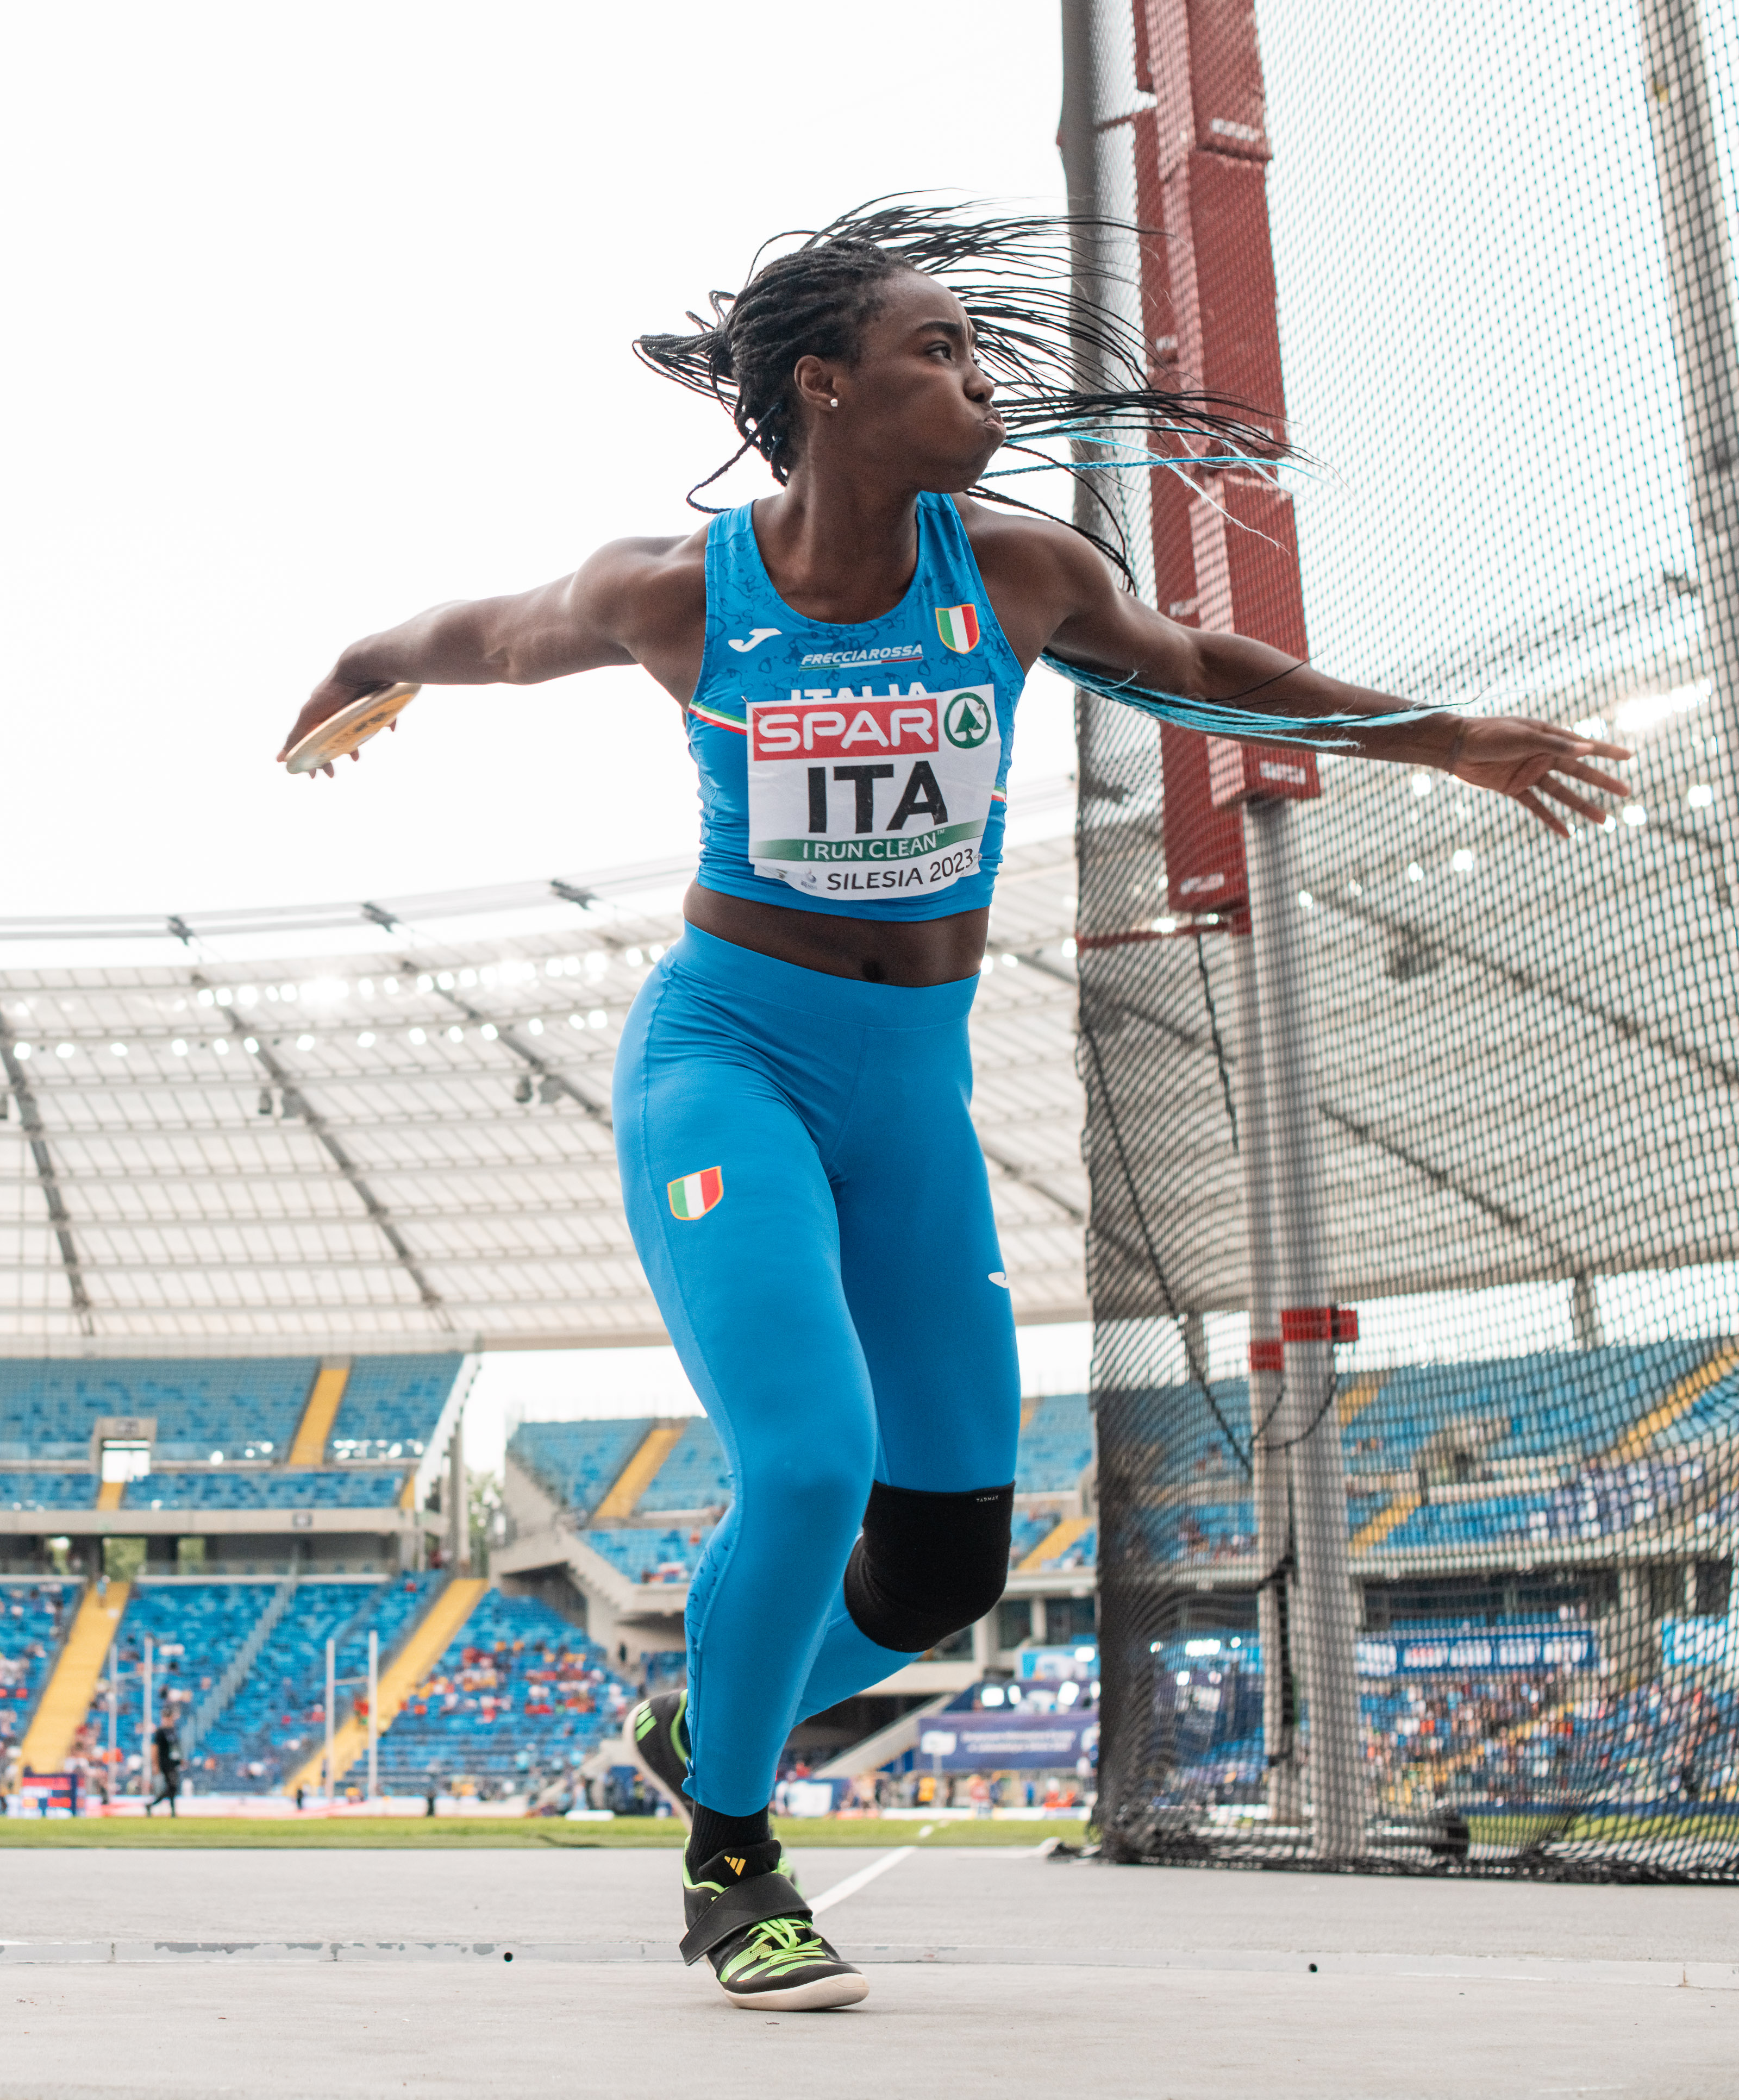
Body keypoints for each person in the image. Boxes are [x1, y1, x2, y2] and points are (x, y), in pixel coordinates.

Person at [279, 202, 1629, 2011]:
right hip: (729, 1064)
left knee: (942, 1566)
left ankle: (711, 1723)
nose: (982, 385)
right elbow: (496, 633)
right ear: (824, 386)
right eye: (940, 354)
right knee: (809, 1463)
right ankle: (734, 1864)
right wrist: (365, 662)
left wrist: (1434, 734)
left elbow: (1200, 670)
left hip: (909, 1093)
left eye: (976, 354)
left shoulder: (1016, 570)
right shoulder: (681, 593)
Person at [143, 1708, 181, 1818]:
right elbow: (154, 1748)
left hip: (173, 1763)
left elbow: (175, 1748)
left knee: (172, 1788)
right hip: (165, 1763)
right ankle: (168, 1810)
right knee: (172, 1786)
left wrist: (180, 1760)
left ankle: (155, 1807)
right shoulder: (160, 1732)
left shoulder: (173, 1731)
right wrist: (155, 1765)